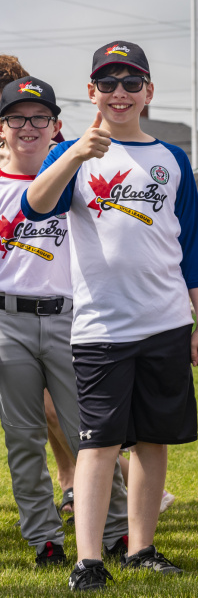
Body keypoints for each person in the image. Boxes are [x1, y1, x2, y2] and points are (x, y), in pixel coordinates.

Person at [23, 41, 198, 591]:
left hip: (166, 321)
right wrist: (76, 153)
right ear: (92, 93)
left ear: (149, 92)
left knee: (153, 442)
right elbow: (35, 206)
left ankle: (142, 547)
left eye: (132, 83)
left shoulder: (172, 159)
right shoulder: (74, 153)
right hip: (102, 330)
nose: (120, 93)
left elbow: (193, 249)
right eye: (108, 83)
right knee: (98, 443)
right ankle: (89, 560)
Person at [0, 77, 129, 568]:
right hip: (8, 318)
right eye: (17, 117)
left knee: (91, 434)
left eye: (40, 118)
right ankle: (44, 537)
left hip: (70, 318)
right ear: (2, 128)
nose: (28, 127)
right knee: (24, 436)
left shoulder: (78, 178)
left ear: (57, 127)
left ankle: (116, 531)